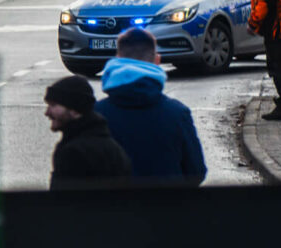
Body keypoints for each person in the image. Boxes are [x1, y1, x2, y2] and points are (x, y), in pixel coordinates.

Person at [96, 28, 206, 183]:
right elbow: (196, 172)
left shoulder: (97, 114)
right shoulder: (177, 113)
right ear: (157, 61)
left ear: (117, 58)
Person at [44, 75, 130, 189]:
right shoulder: (112, 147)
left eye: (53, 105)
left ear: (75, 110)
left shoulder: (72, 153)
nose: (47, 112)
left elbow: (64, 203)